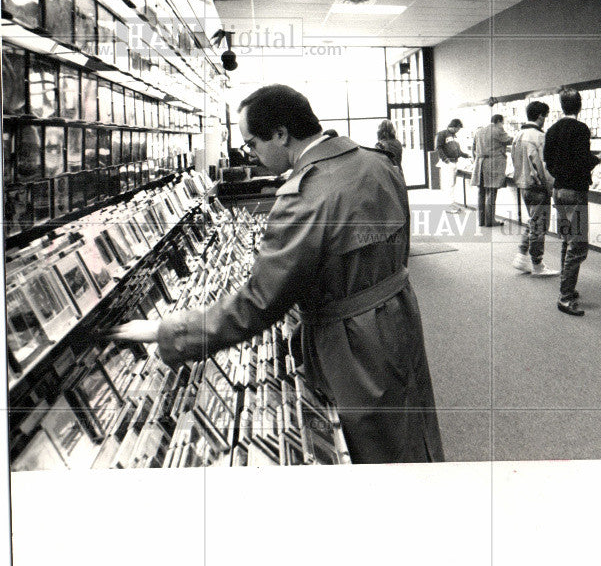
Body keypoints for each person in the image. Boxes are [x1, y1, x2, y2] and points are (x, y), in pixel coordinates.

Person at [107, 84, 444, 464]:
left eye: (251, 143)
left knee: (374, 445)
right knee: (411, 423)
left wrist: (167, 331)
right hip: (400, 314)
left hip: (352, 343)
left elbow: (259, 302)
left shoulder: (302, 195)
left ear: (281, 134)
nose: (250, 153)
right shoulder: (378, 162)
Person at [543, 88, 601, 316]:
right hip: (576, 191)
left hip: (559, 190)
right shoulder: (580, 129)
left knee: (567, 239)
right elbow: (582, 159)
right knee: (578, 245)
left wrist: (560, 173)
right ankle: (565, 296)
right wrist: (595, 161)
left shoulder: (552, 129)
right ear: (579, 105)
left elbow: (548, 160)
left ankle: (568, 287)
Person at [511, 100, 558, 276]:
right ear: (540, 116)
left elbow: (514, 159)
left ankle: (521, 256)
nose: (546, 119)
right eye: (545, 115)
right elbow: (542, 166)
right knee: (540, 225)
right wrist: (551, 188)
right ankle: (537, 263)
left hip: (523, 184)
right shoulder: (538, 137)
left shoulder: (519, 135)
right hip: (538, 186)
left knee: (533, 221)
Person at [471, 113, 513, 227]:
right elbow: (510, 140)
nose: (502, 125)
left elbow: (473, 148)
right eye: (502, 123)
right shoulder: (497, 130)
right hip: (493, 164)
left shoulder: (479, 131)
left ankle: (481, 220)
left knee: (481, 192)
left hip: (480, 164)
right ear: (499, 121)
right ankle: (490, 221)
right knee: (491, 192)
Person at [435, 118, 468, 214]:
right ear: (453, 126)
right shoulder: (442, 134)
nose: (458, 130)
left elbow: (458, 150)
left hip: (454, 162)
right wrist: (446, 160)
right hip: (447, 163)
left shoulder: (454, 137)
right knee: (448, 184)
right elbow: (439, 148)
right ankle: (448, 206)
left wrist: (466, 155)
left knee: (452, 184)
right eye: (458, 128)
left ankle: (451, 204)